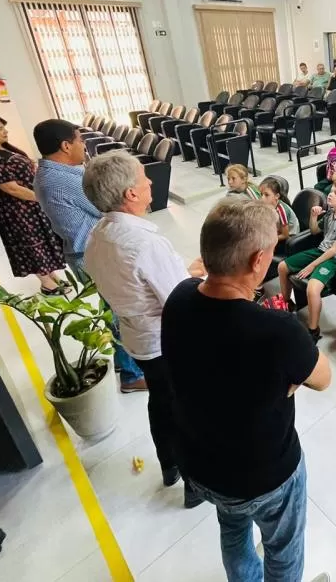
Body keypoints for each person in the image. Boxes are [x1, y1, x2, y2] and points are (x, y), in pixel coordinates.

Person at [161, 199, 332, 582]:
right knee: (283, 548)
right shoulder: (277, 330)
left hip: (201, 465)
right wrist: (288, 373)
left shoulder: (179, 298)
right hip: (264, 476)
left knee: (234, 528)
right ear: (258, 261)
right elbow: (323, 378)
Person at [82, 151, 206, 508]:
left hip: (138, 338)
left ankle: (169, 466)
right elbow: (178, 301)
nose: (150, 181)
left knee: (160, 401)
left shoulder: (98, 234)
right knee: (185, 412)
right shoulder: (144, 242)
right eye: (143, 177)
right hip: (166, 341)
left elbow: (134, 282)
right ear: (131, 194)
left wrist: (182, 272)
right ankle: (194, 486)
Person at [32, 119, 147, 393]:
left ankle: (123, 360)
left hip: (84, 252)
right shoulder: (65, 180)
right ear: (65, 145)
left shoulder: (48, 173)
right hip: (91, 253)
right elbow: (108, 205)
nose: (83, 146)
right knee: (121, 312)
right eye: (80, 140)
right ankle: (132, 375)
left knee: (111, 310)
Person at [0, 114, 64, 294]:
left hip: (31, 203)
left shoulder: (5, 149)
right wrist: (42, 198)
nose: (5, 131)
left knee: (42, 238)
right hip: (17, 208)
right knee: (31, 242)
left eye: (3, 127)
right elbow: (11, 188)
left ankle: (51, 274)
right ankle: (46, 283)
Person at [278, 183, 336, 340]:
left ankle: (313, 330)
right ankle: (287, 304)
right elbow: (315, 231)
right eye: (331, 191)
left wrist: (312, 266)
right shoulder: (330, 213)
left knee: (312, 289)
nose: (330, 194)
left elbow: (335, 250)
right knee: (282, 267)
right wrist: (313, 216)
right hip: (321, 251)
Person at [259, 176, 300, 244]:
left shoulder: (282, 211)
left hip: (289, 238)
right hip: (277, 231)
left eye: (266, 195)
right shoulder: (268, 205)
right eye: (261, 194)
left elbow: (285, 235)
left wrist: (268, 240)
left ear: (277, 196)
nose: (262, 198)